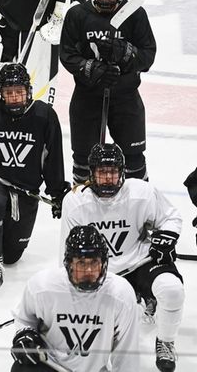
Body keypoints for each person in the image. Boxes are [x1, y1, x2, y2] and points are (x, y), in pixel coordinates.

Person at [61, 143, 183, 372]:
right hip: (100, 272)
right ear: (91, 173)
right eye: (102, 172)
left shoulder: (142, 192)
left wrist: (167, 236)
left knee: (172, 290)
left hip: (140, 261)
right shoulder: (75, 201)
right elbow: (66, 252)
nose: (108, 178)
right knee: (100, 331)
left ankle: (166, 340)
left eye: (113, 172)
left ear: (123, 172)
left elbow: (171, 217)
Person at [0, 63, 68, 290]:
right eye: (8, 93)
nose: (14, 97)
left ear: (29, 91)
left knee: (12, 255)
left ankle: (1, 254)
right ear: (0, 93)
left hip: (25, 191)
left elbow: (53, 158)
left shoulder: (44, 116)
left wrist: (58, 192)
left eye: (18, 92)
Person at [60, 0, 157, 184]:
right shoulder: (77, 15)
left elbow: (148, 55)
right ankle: (83, 211)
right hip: (87, 97)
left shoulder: (135, 14)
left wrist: (124, 53)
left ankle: (139, 211)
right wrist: (93, 69)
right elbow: (67, 54)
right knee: (83, 161)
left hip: (125, 98)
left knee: (133, 160)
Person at [11, 225, 139, 371]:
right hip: (51, 365)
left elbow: (127, 351)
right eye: (82, 263)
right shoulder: (42, 287)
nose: (89, 270)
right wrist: (25, 334)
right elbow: (24, 319)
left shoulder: (120, 294)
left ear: (103, 264)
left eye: (94, 263)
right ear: (69, 264)